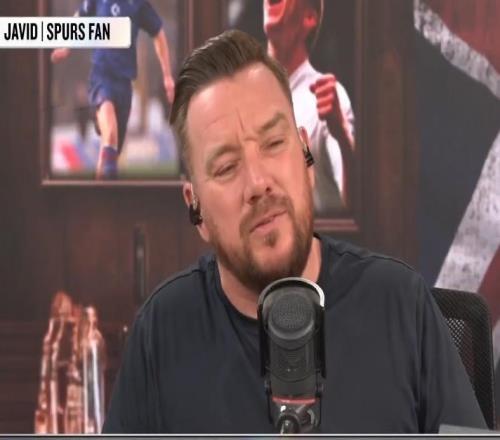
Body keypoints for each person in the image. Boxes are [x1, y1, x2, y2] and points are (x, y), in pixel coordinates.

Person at [102, 30, 485, 433]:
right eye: (227, 167)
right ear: (194, 206)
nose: (258, 183)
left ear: (306, 155)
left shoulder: (401, 304)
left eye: (273, 143)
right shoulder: (161, 333)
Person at [51, 0, 175, 180]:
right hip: (101, 78)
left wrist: (167, 76)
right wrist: (66, 47)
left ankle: (101, 193)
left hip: (124, 85)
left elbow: (159, 34)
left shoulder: (138, 5)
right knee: (110, 135)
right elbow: (80, 17)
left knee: (110, 155)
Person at [264, 0, 355, 215]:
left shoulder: (327, 99)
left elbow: (356, 204)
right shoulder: (244, 99)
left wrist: (342, 135)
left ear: (309, 17)